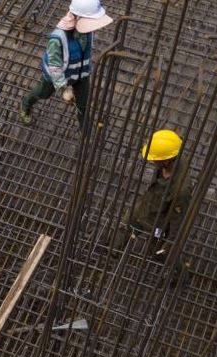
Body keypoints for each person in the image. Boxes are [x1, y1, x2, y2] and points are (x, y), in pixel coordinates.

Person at [112, 129, 192, 285]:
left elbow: (177, 219)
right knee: (125, 224)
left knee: (161, 253)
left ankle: (181, 278)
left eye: (155, 160)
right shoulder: (170, 153)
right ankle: (113, 250)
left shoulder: (180, 190)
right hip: (147, 205)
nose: (152, 162)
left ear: (168, 160)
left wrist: (171, 241)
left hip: (160, 220)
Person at [19, 0, 113, 129]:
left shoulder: (88, 30)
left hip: (81, 74)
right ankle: (26, 103)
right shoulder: (57, 38)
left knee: (83, 105)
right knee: (43, 93)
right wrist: (65, 88)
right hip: (56, 76)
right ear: (77, 18)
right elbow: (55, 67)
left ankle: (84, 131)